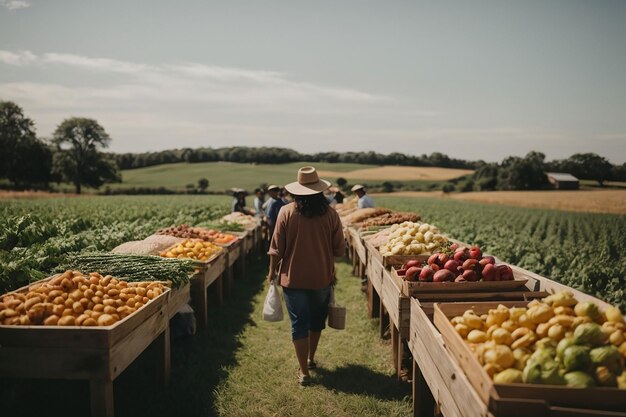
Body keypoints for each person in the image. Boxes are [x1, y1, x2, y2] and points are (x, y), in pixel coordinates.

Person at [267, 166, 345, 386]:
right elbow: (339, 250)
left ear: (296, 191)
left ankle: (304, 372)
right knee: (316, 321)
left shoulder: (286, 212)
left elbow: (276, 249)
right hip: (321, 277)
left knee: (298, 323)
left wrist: (271, 271)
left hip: (292, 279)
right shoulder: (331, 214)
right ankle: (311, 358)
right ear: (320, 191)